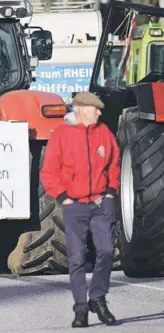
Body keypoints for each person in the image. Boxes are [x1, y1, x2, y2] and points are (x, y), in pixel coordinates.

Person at [40, 92, 120, 328]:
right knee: (76, 258)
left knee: (106, 250)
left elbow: (114, 163)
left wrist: (111, 191)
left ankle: (97, 297)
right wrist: (63, 197)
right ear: (83, 110)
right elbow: (49, 171)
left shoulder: (103, 133)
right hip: (74, 205)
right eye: (96, 109)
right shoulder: (62, 135)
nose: (99, 113)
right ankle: (81, 309)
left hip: (100, 204)